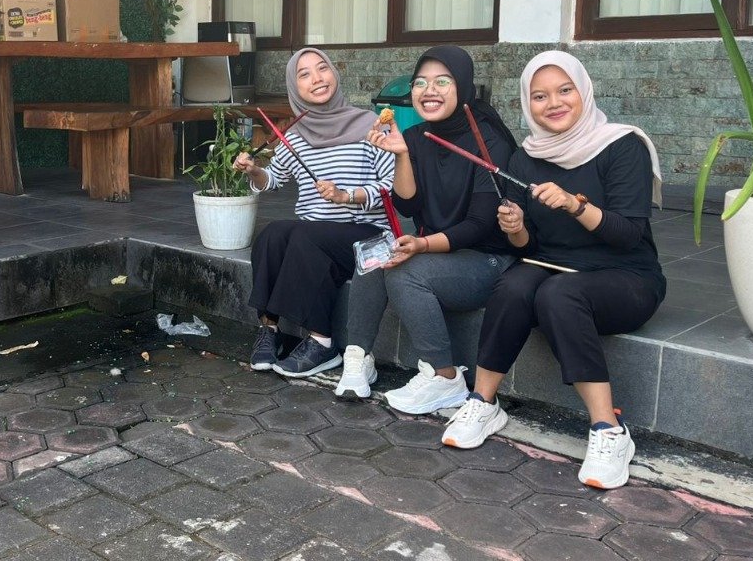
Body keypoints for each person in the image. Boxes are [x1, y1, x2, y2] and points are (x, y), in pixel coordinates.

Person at [442, 50, 665, 490]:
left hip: (627, 277)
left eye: (565, 90)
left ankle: (609, 429)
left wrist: (574, 204)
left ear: (584, 91)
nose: (553, 103)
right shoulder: (526, 157)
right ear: (528, 103)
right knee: (514, 283)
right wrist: (516, 228)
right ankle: (483, 402)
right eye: (540, 96)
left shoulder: (622, 146)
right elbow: (529, 248)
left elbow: (628, 235)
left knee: (558, 294)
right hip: (554, 266)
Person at [347, 46, 517, 405]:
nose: (429, 91)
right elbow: (408, 205)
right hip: (437, 250)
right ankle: (357, 358)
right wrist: (401, 154)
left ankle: (445, 376)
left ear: (464, 86)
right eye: (420, 83)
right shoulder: (416, 136)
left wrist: (422, 245)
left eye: (442, 81)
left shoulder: (489, 141)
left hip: (486, 259)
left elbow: (480, 225)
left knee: (404, 273)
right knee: (373, 258)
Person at [234, 47, 395, 378]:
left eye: (322, 68)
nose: (317, 79)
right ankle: (269, 329)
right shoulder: (295, 136)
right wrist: (254, 171)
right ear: (295, 88)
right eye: (304, 74)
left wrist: (346, 196)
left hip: (369, 238)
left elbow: (394, 188)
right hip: (316, 239)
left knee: (306, 237)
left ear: (334, 73)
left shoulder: (371, 125)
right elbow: (272, 179)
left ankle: (323, 343)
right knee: (272, 235)